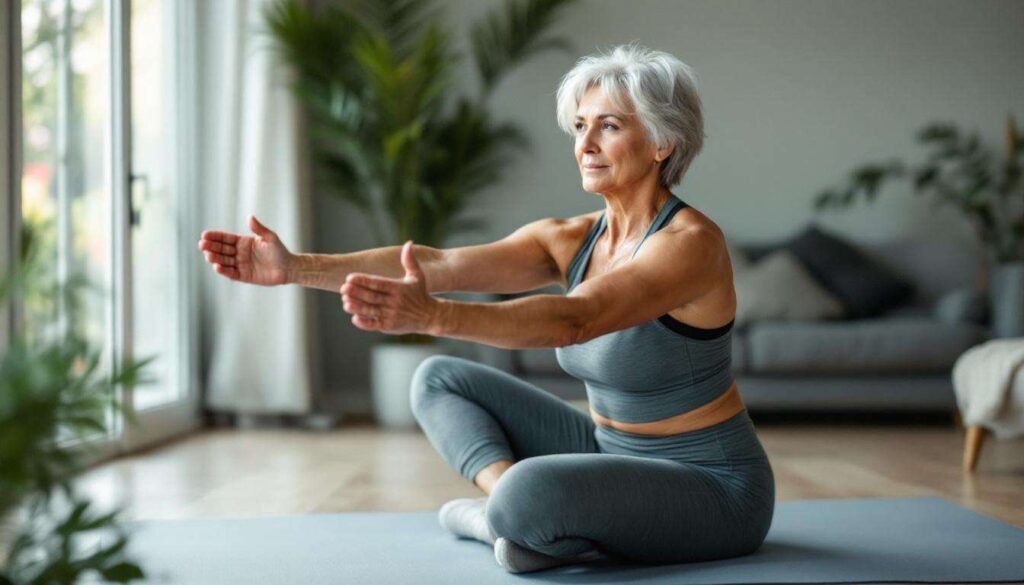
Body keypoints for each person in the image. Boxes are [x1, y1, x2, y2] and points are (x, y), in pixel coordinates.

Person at [198, 43, 774, 574]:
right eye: (579, 126)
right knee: (438, 377)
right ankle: (514, 517)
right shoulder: (571, 238)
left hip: (712, 486)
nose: (585, 143)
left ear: (661, 143)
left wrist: (434, 317)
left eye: (609, 126)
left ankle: (513, 517)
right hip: (605, 450)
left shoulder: (689, 245)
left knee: (533, 491)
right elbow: (437, 263)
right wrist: (295, 267)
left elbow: (578, 320)